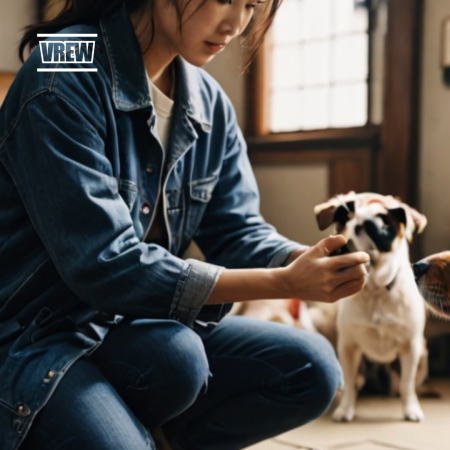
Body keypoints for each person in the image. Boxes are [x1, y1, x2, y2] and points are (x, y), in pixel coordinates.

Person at [0, 1, 370, 449]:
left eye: (252, 5)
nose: (235, 24)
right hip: (37, 335)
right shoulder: (65, 59)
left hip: (126, 324)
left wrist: (304, 261)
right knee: (177, 361)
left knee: (309, 368)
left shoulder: (208, 100)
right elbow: (106, 263)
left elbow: (235, 229)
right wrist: (282, 280)